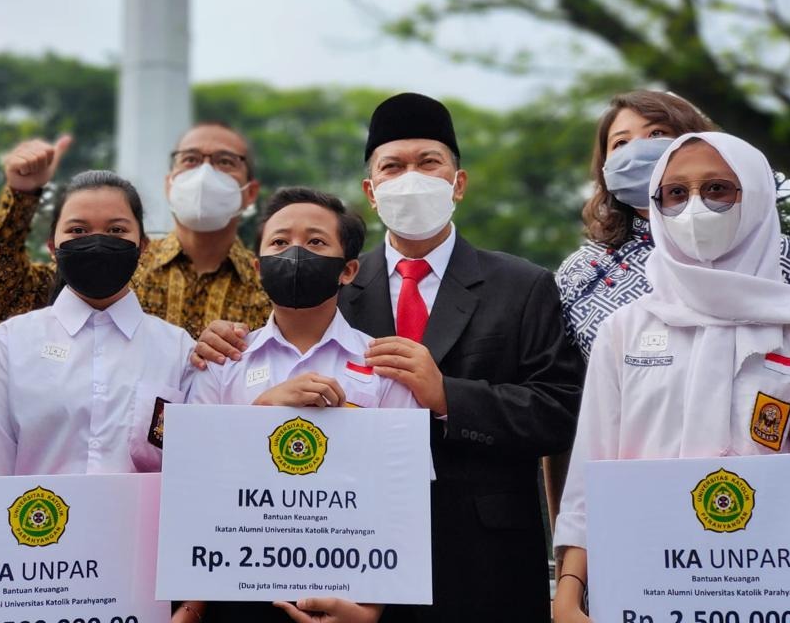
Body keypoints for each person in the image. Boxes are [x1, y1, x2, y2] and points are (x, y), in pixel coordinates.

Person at [194, 93, 585, 623]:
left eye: (429, 163)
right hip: (344, 555)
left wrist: (449, 396)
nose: (411, 178)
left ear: (458, 182)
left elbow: (560, 413)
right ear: (371, 192)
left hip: (481, 558)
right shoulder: (327, 281)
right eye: (393, 167)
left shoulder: (522, 286)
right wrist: (209, 343)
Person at [551, 132, 790, 623]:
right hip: (642, 588)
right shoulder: (626, 329)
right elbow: (592, 470)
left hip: (767, 590)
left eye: (718, 189)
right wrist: (569, 592)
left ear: (757, 197)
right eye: (676, 193)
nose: (695, 208)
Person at [191, 187, 417, 623]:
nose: (294, 253)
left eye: (315, 242)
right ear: (258, 266)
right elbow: (195, 479)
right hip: (236, 594)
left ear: (348, 269)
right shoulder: (220, 363)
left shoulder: (384, 365)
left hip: (350, 592)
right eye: (278, 242)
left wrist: (368, 609)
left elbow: (403, 494)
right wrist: (263, 412)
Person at [556, 90, 790, 363]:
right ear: (604, 167)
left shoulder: (765, 249)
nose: (636, 150)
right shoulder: (579, 272)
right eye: (621, 143)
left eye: (657, 133)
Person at [0, 170, 195, 477]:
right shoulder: (9, 344)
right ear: (52, 247)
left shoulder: (178, 350)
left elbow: (193, 467)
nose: (97, 242)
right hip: (33, 524)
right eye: (78, 230)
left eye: (116, 230)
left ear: (143, 246)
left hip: (141, 525)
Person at [0, 122, 271, 337]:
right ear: (170, 182)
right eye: (190, 160)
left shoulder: (270, 289)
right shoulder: (118, 262)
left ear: (251, 192)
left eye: (225, 161)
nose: (205, 173)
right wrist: (22, 195)